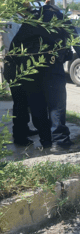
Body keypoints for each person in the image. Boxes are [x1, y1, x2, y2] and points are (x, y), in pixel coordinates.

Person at [10, 0, 80, 152]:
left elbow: (15, 44)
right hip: (51, 65)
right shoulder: (59, 17)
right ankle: (60, 142)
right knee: (56, 104)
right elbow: (75, 40)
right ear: (56, 9)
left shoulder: (32, 19)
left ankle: (46, 141)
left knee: (37, 104)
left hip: (28, 67)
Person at [2, 17, 38, 146]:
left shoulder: (11, 20)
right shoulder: (14, 21)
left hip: (13, 62)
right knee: (21, 103)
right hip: (17, 64)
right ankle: (19, 136)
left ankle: (23, 130)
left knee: (21, 102)